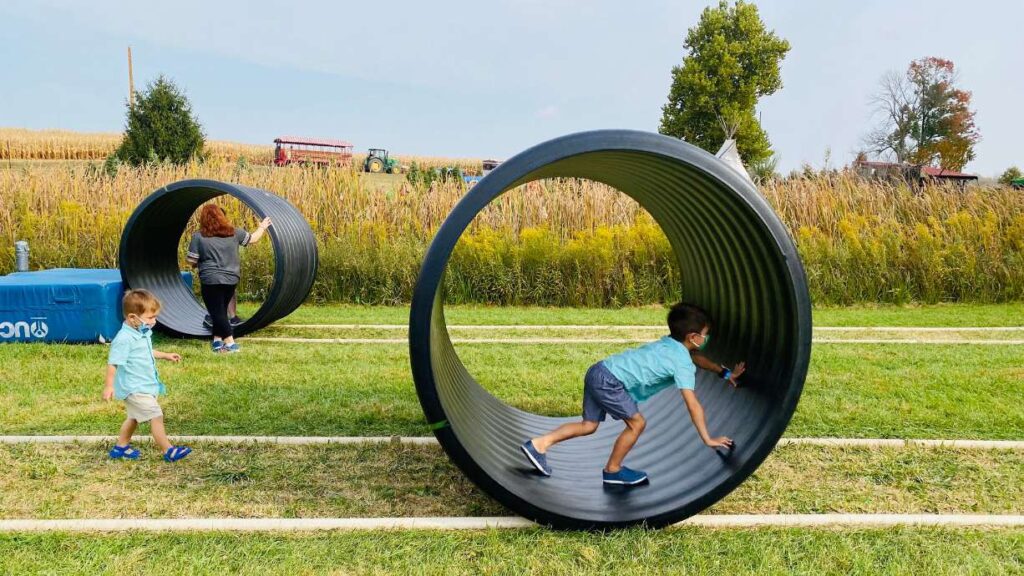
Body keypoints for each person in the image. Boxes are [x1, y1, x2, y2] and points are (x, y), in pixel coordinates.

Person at [521, 303, 745, 486]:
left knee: (589, 426)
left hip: (598, 371)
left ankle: (539, 444)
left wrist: (725, 373)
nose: (707, 339)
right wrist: (707, 438)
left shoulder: (672, 344)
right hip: (611, 382)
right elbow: (692, 403)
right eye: (705, 335)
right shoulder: (681, 363)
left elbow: (697, 358)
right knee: (637, 423)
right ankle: (613, 470)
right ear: (693, 337)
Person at [103, 289, 192, 462]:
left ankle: (120, 447)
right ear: (132, 318)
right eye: (150, 318)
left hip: (143, 385)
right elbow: (113, 362)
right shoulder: (124, 339)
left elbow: (148, 351)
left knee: (134, 418)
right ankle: (169, 450)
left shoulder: (141, 333)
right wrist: (109, 386)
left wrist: (165, 355)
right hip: (134, 388)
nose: (154, 321)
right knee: (156, 415)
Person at [185, 204, 271, 353]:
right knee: (221, 309)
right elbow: (253, 239)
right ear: (222, 216)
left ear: (203, 219)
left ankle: (230, 343)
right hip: (232, 278)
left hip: (211, 279)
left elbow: (191, 261)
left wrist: (198, 263)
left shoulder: (198, 237)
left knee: (216, 312)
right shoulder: (234, 233)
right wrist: (262, 227)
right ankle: (217, 341)